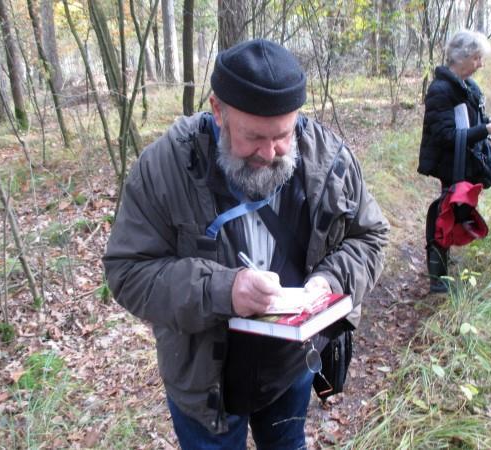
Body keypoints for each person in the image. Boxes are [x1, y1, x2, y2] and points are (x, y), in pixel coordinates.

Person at [103, 38, 389, 449]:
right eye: (254, 136)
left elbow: (371, 237)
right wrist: (223, 289)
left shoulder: (329, 160)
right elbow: (127, 270)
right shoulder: (166, 166)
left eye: (283, 136)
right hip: (204, 381)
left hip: (290, 368)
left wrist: (329, 282)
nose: (270, 153)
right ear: (218, 111)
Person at [418, 30, 491, 293]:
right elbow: (446, 135)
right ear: (462, 57)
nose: (481, 64)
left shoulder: (469, 87)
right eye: (477, 58)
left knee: (455, 214)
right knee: (442, 215)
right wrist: (484, 130)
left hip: (465, 163)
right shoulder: (440, 90)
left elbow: (472, 124)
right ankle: (438, 277)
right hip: (449, 164)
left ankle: (442, 268)